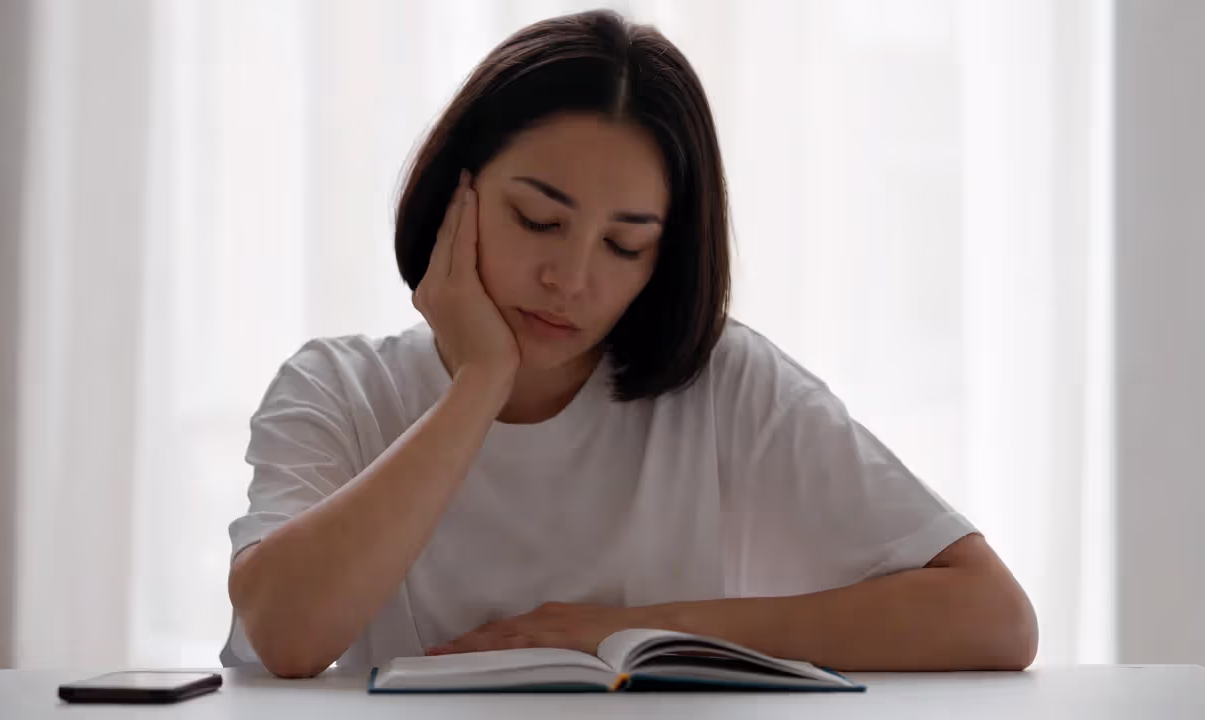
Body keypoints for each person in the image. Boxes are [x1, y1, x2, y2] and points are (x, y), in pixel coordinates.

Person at [222, 9, 1037, 679]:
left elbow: (994, 618)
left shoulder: (723, 384)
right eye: (538, 220)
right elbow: (289, 636)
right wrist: (480, 381)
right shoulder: (336, 387)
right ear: (454, 195)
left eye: (625, 245)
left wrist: (634, 630)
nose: (571, 279)